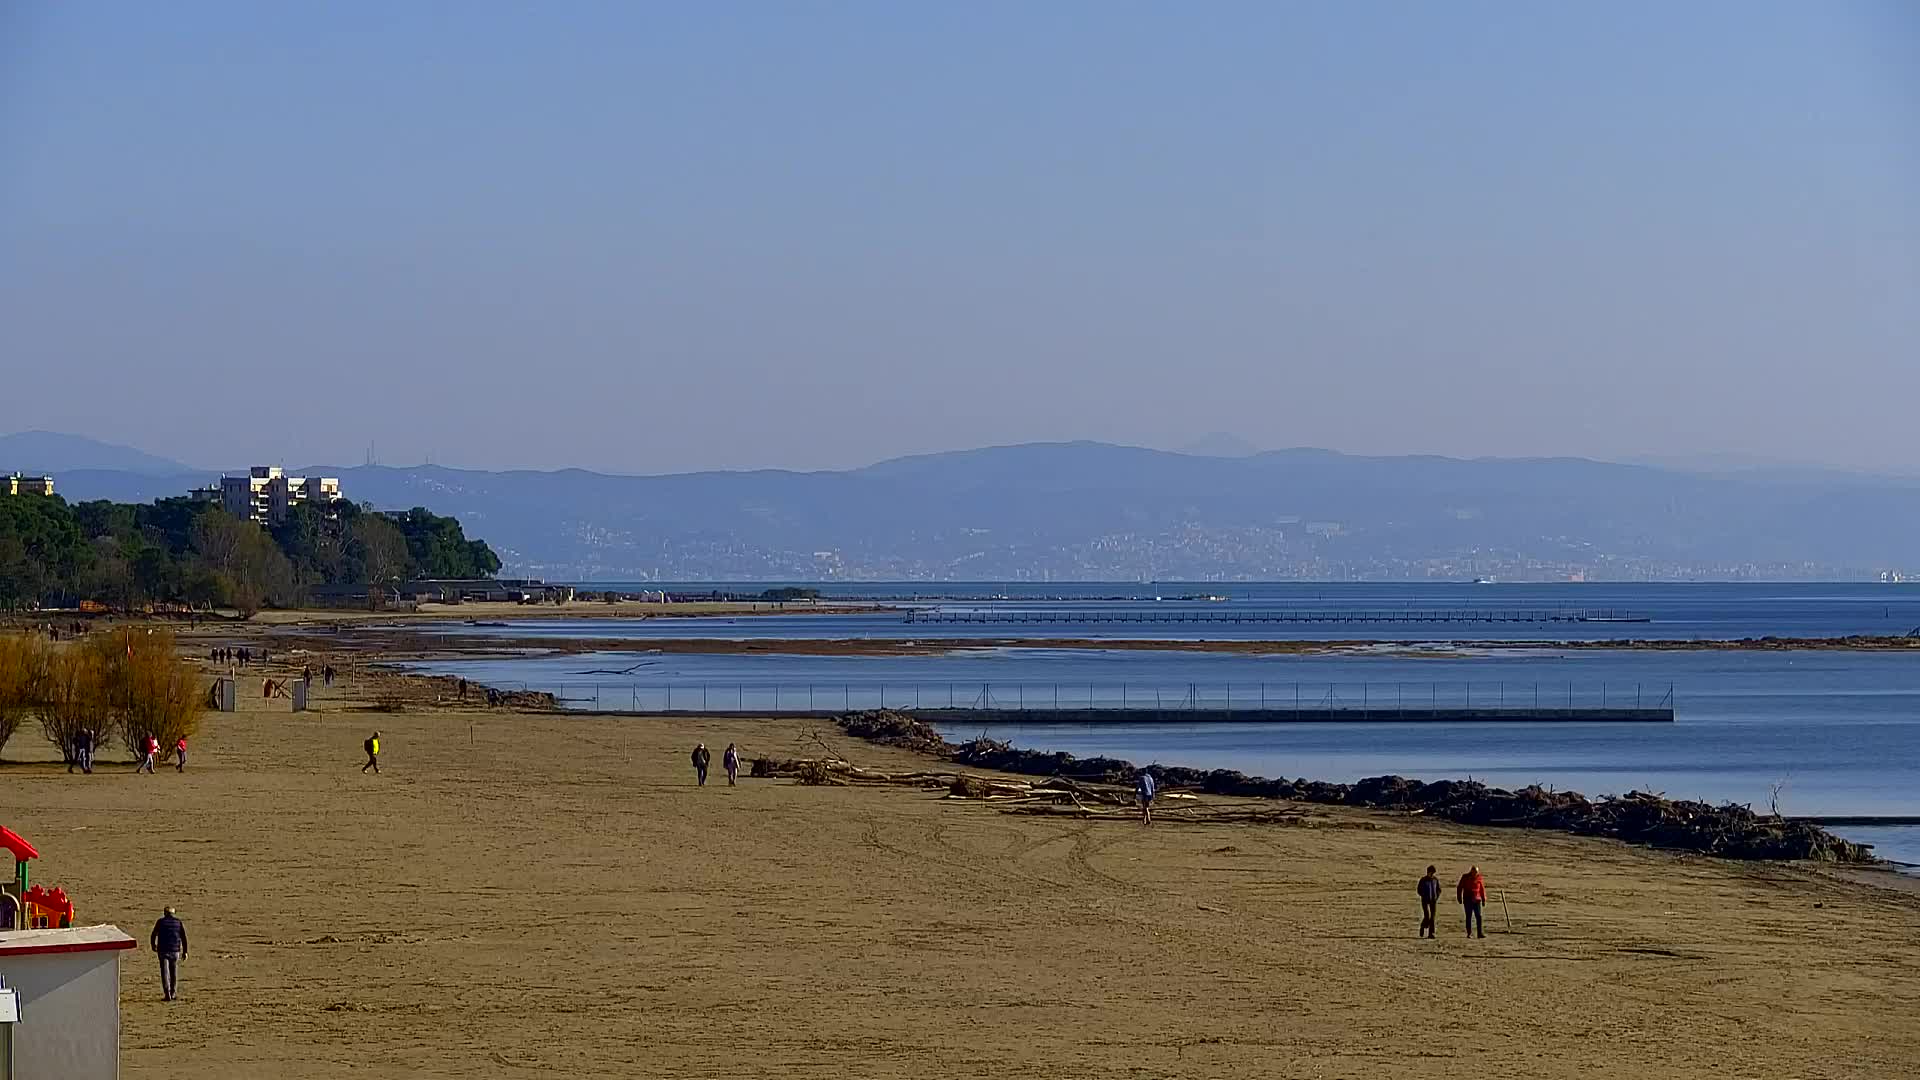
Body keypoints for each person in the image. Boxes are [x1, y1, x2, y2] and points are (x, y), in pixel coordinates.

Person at [151, 907, 188, 1001]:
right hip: (175, 950)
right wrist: (185, 951)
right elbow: (183, 937)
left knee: (164, 972)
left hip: (163, 950)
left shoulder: (160, 922)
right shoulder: (178, 922)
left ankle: (167, 993)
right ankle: (173, 993)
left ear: (165, 913)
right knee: (174, 972)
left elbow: (153, 934)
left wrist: (153, 945)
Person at [1457, 865, 1487, 938]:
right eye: (1474, 872)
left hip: (1477, 900)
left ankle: (1479, 933)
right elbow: (1459, 887)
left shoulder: (1479, 878)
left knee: (1479, 916)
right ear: (1471, 871)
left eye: (1476, 872)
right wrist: (1459, 898)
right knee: (1469, 916)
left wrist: (1483, 899)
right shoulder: (1465, 877)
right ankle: (1469, 933)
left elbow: (1482, 889)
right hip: (1468, 899)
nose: (1475, 873)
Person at [1417, 865, 1442, 938]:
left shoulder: (1435, 880)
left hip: (1433, 900)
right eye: (1431, 872)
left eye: (1433, 873)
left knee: (1432, 917)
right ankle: (1422, 926)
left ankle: (1431, 933)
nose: (1432, 874)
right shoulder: (1423, 880)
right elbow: (1419, 890)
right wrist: (1424, 895)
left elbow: (1439, 889)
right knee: (1427, 916)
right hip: (1425, 900)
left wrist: (1436, 896)